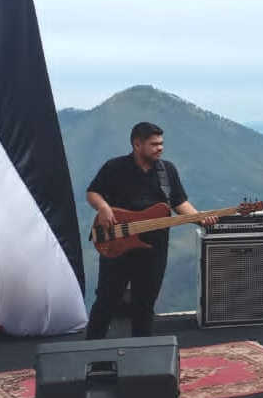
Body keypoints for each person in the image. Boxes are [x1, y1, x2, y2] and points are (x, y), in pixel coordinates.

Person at [85, 122, 216, 339]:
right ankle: (90, 348)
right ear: (137, 145)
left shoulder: (167, 170)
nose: (160, 148)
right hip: (117, 244)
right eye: (154, 144)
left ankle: (142, 351)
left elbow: (179, 202)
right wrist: (103, 208)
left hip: (154, 249)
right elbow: (93, 192)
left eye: (161, 143)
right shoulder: (115, 167)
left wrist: (200, 219)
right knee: (107, 300)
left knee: (145, 304)